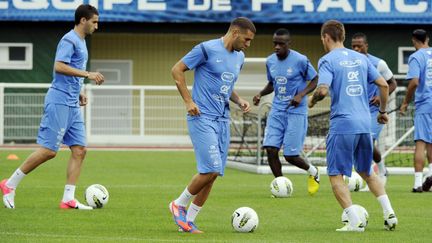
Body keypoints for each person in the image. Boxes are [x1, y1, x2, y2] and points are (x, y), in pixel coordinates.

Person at [0, 4, 104, 210]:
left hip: (72, 102)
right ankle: (9, 184)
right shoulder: (69, 39)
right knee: (49, 151)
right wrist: (88, 75)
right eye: (94, 22)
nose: (97, 26)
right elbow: (59, 66)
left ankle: (68, 199)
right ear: (83, 20)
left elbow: (69, 71)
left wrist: (79, 91)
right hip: (58, 101)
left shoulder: (81, 42)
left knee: (80, 150)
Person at [309, 20, 397, 232]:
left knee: (335, 174)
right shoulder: (361, 58)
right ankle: (389, 213)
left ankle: (354, 221)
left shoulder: (327, 60)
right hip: (364, 123)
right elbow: (384, 84)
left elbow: (322, 90)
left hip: (343, 124)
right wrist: (383, 112)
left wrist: (312, 100)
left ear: (325, 37)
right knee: (367, 171)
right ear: (344, 36)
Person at [169, 17, 255, 233]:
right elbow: (177, 70)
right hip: (202, 117)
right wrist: (188, 101)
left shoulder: (240, 58)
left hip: (222, 120)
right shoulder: (206, 49)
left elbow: (225, 85)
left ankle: (187, 222)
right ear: (235, 32)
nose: (248, 44)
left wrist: (239, 100)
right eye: (246, 39)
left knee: (213, 175)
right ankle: (178, 204)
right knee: (211, 169)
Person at [252, 28, 320, 195]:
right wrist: (261, 93)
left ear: (289, 44)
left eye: (281, 44)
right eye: (275, 43)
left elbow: (315, 79)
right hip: (277, 111)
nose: (276, 47)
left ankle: (313, 171)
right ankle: (280, 186)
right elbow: (272, 84)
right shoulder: (270, 61)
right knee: (270, 149)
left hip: (296, 112)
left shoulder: (301, 60)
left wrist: (301, 94)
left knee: (290, 156)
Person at [351, 33, 397, 187]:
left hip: (374, 112)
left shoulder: (378, 63)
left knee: (368, 140)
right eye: (353, 46)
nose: (356, 49)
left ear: (366, 46)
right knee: (360, 143)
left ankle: (380, 172)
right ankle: (377, 171)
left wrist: (379, 95)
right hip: (356, 111)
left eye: (359, 46)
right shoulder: (348, 63)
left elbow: (392, 84)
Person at [400, 29, 432, 192]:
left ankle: (418, 183)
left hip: (425, 103)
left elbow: (414, 82)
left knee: (421, 141)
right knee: (431, 142)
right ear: (427, 39)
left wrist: (405, 102)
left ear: (414, 41)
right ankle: (431, 177)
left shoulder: (416, 57)